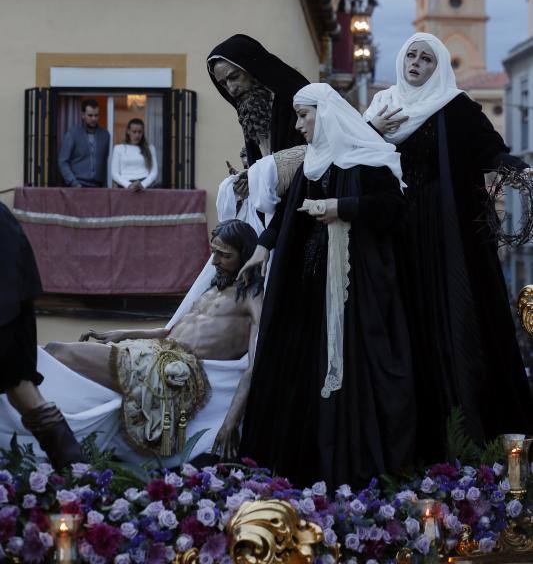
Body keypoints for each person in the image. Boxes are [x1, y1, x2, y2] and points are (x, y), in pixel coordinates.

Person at [364, 32, 533, 461]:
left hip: (446, 234)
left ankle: (465, 434)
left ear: (439, 67)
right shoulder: (382, 107)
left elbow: (488, 148)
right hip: (395, 235)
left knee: (452, 317)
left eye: (426, 58)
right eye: (412, 56)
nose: (416, 63)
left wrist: (515, 168)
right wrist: (372, 131)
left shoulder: (455, 107)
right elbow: (350, 158)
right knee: (402, 321)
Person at [239, 83, 415, 488]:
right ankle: (303, 468)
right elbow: (287, 214)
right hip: (307, 285)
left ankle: (352, 468)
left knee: (351, 369)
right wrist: (262, 249)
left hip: (356, 287)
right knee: (303, 369)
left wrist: (344, 208)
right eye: (298, 116)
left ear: (327, 113)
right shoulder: (313, 162)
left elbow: (394, 208)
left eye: (304, 115)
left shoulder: (365, 158)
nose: (298, 125)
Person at [45, 220, 263, 460]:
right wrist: (122, 333)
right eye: (213, 252)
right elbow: (169, 331)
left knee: (56, 353)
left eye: (225, 255)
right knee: (53, 353)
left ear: (247, 256)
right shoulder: (210, 290)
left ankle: (45, 434)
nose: (214, 262)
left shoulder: (252, 297)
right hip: (152, 352)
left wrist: (230, 423)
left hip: (169, 366)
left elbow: (255, 366)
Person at [0, 202, 86, 469]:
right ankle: (79, 477)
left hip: (7, 318)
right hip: (10, 313)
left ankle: (79, 478)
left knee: (23, 392)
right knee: (22, 393)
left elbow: (11, 275)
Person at [207, 34, 309, 168]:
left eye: (234, 77)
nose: (231, 89)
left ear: (252, 68)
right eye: (223, 84)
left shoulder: (295, 100)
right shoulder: (250, 110)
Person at [58, 98, 110, 187]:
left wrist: (105, 187)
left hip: (98, 189)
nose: (94, 119)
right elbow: (63, 162)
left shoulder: (105, 135)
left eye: (96, 115)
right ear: (83, 115)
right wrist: (74, 183)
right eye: (90, 115)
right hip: (77, 187)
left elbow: (105, 163)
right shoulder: (72, 134)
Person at [111, 118, 158, 190]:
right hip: (125, 187)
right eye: (134, 132)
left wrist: (142, 185)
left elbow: (154, 172)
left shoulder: (150, 148)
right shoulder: (119, 148)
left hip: (145, 188)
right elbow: (114, 173)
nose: (137, 135)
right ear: (128, 131)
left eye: (140, 132)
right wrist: (129, 185)